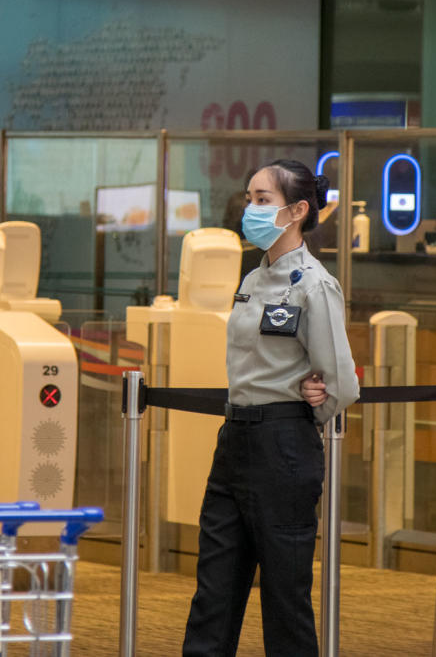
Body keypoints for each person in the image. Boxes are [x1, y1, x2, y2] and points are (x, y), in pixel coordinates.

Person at [183, 159, 360, 657]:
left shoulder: (313, 284)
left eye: (262, 200)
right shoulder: (253, 277)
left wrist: (306, 411)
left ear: (297, 210)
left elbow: (341, 382)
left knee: (284, 601)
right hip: (234, 438)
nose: (250, 209)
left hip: (282, 446)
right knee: (213, 593)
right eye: (249, 198)